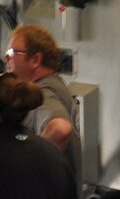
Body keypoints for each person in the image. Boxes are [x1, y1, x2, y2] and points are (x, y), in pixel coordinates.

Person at [5, 24, 78, 164]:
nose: (6, 58)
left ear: (35, 60)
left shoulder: (43, 93)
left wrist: (27, 166)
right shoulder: (54, 85)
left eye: (12, 53)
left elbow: (60, 129)